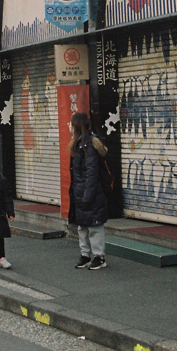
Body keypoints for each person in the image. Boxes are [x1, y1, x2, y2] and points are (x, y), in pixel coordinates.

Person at [68, 112, 109, 270]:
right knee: (82, 225)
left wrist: (87, 195)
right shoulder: (78, 143)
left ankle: (99, 256)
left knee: (94, 225)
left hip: (90, 193)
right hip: (80, 192)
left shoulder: (89, 145)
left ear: (76, 126)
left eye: (72, 124)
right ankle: (85, 254)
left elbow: (92, 173)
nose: (70, 127)